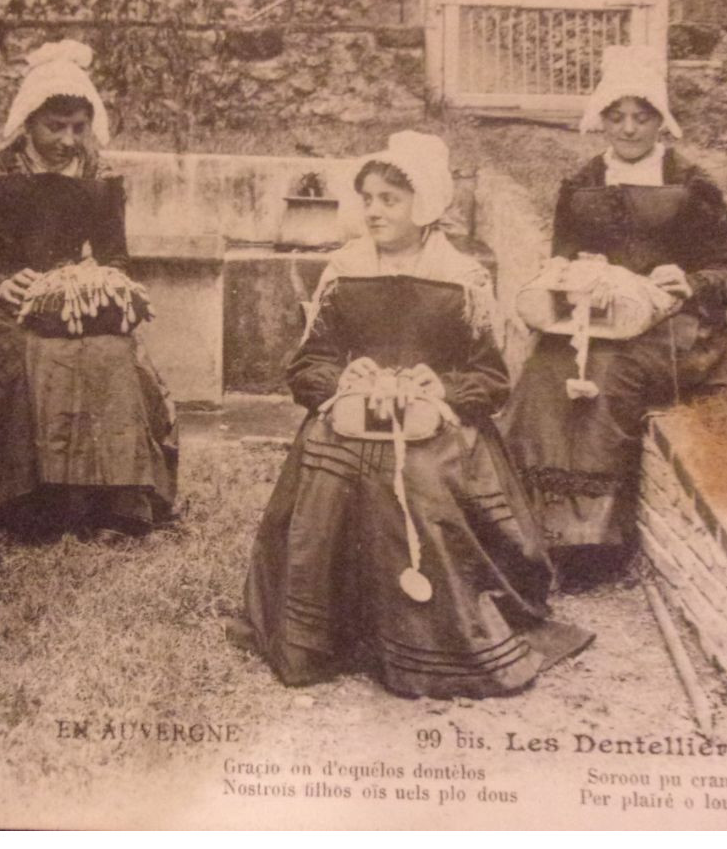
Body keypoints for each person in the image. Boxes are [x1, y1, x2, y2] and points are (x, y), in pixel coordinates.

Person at [236, 131, 592, 699]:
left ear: (423, 205)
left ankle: (424, 642)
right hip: (357, 413)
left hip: (438, 426)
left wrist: (442, 389)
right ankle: (326, 633)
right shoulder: (344, 272)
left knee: (418, 477)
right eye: (368, 198)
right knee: (332, 462)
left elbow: (491, 379)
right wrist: (340, 380)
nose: (373, 210)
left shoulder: (461, 279)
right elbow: (309, 364)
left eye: (389, 199)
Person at [500, 46, 727, 587]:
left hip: (675, 326)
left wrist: (690, 282)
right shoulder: (582, 184)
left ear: (661, 120)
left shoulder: (692, 183)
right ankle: (524, 532)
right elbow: (560, 255)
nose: (630, 129)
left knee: (607, 375)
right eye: (617, 116)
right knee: (546, 370)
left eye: (642, 116)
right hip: (594, 316)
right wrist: (566, 277)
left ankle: (591, 546)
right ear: (601, 119)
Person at [0, 40, 176, 543]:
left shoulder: (100, 177)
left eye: (78, 128)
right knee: (35, 355)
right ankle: (38, 503)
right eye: (55, 127)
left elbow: (116, 257)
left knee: (112, 354)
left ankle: (115, 502)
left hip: (73, 299)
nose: (68, 140)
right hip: (3, 304)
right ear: (28, 121)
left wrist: (95, 281)